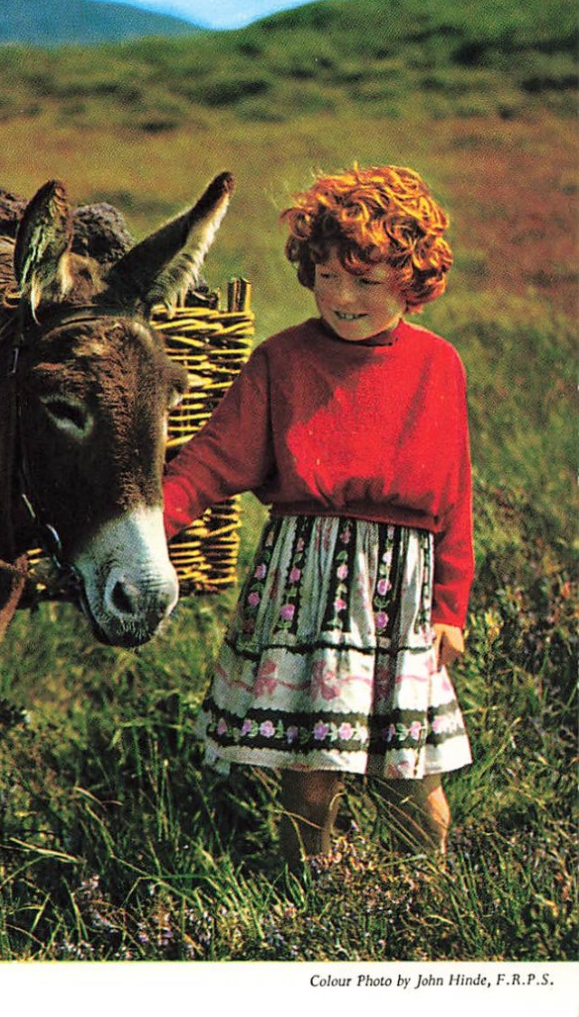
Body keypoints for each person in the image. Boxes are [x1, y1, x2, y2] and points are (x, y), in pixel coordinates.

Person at [162, 163, 473, 870]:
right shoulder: (281, 360)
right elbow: (212, 461)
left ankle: (425, 899)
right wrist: (153, 525)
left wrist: (451, 605)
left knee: (410, 779)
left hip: (401, 596)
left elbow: (455, 496)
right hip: (307, 586)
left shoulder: (438, 366)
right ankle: (305, 896)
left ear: (410, 281)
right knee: (309, 777)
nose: (341, 296)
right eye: (327, 275)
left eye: (364, 282)